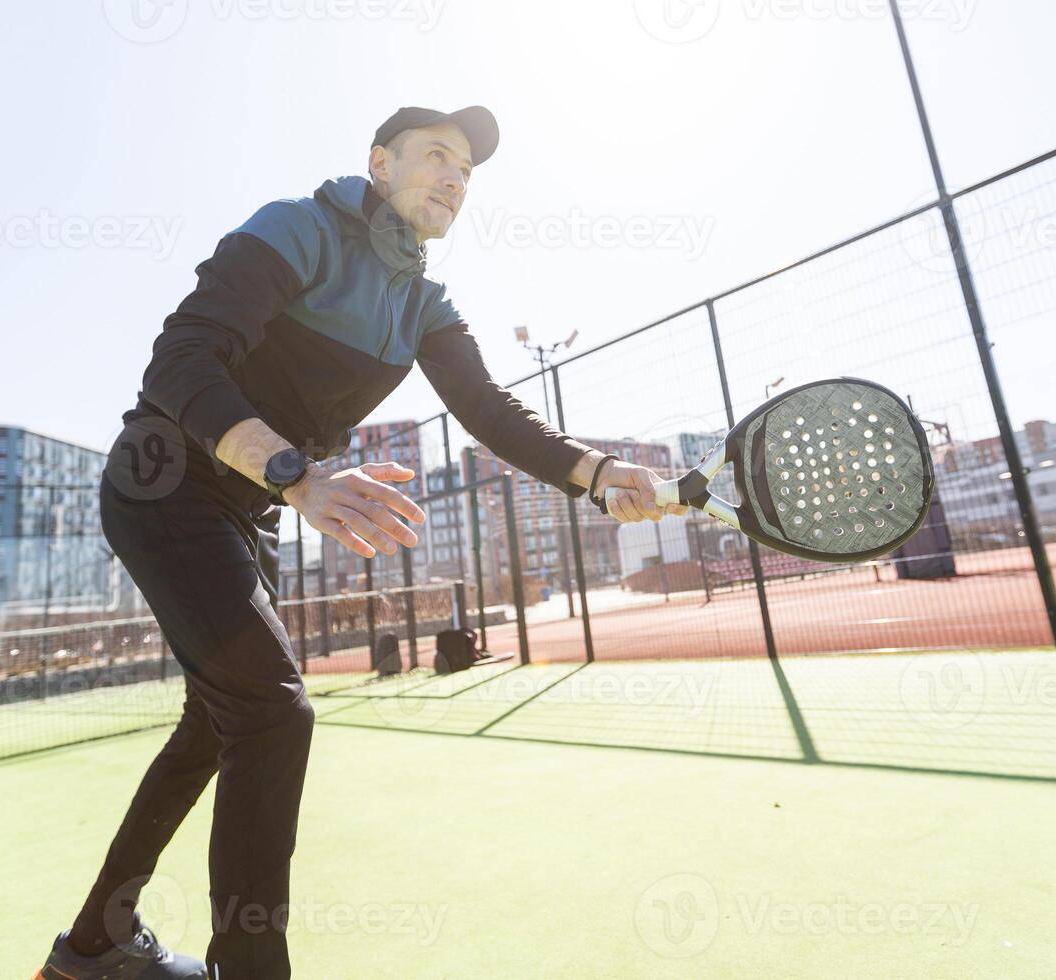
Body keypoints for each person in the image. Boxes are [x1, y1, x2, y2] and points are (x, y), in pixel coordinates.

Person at [34, 105, 683, 980]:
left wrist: (597, 474)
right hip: (163, 481)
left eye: (467, 171)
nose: (455, 179)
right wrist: (297, 475)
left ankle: (93, 946)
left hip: (245, 508)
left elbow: (490, 412)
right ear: (380, 164)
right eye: (437, 157)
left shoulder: (423, 303)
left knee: (217, 723)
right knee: (271, 713)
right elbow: (179, 362)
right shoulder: (297, 229)